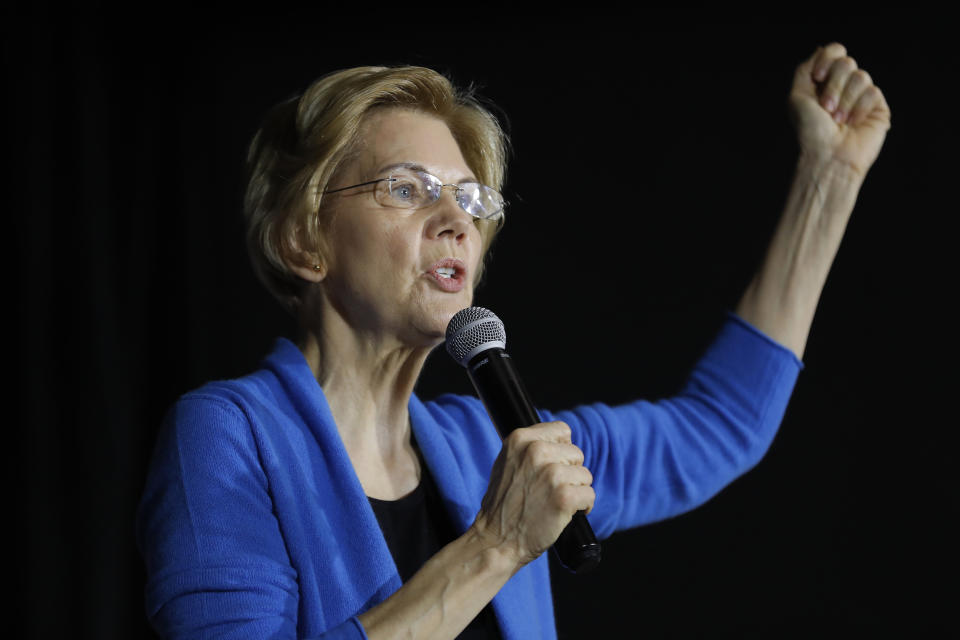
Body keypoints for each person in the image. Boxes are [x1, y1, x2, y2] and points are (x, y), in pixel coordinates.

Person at [136, 43, 890, 639]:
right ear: (304, 241)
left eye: (469, 199)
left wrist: (829, 179)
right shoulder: (228, 436)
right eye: (406, 187)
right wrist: (493, 546)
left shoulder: (488, 445)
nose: (455, 218)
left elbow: (722, 424)